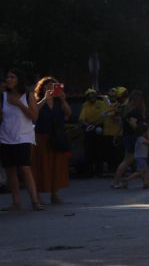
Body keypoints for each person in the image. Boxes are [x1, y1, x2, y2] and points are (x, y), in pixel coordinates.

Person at [1, 70, 44, 210]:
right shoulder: (3, 96)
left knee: (25, 168)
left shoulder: (28, 95)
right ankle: (16, 202)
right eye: (7, 77)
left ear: (18, 79)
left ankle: (34, 201)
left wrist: (18, 104)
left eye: (12, 76)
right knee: (10, 171)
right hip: (6, 137)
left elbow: (34, 116)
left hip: (23, 137)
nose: (9, 79)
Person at [32, 77, 72, 205]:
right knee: (41, 166)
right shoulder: (37, 100)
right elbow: (33, 113)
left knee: (56, 166)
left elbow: (68, 113)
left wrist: (63, 99)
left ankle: (54, 194)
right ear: (42, 88)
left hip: (57, 137)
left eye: (53, 86)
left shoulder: (58, 102)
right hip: (41, 137)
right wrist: (45, 100)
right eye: (47, 86)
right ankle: (37, 195)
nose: (50, 88)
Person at [111, 90, 147, 186]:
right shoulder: (135, 111)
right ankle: (117, 181)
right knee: (128, 160)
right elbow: (133, 124)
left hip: (128, 136)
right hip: (133, 137)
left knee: (137, 159)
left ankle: (146, 181)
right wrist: (144, 129)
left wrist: (116, 135)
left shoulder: (127, 110)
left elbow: (121, 125)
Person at [78, 88, 109, 176]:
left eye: (93, 95)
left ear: (96, 96)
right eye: (89, 96)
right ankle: (89, 171)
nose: (91, 97)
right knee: (89, 151)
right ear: (87, 97)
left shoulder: (101, 103)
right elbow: (81, 119)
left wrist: (96, 124)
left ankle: (99, 170)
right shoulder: (85, 105)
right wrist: (88, 125)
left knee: (100, 150)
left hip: (99, 128)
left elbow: (105, 116)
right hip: (89, 129)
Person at [118, 123, 149, 189]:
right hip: (140, 158)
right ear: (144, 132)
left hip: (142, 157)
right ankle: (126, 180)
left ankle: (146, 183)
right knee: (140, 172)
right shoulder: (140, 139)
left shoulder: (141, 138)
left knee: (145, 170)